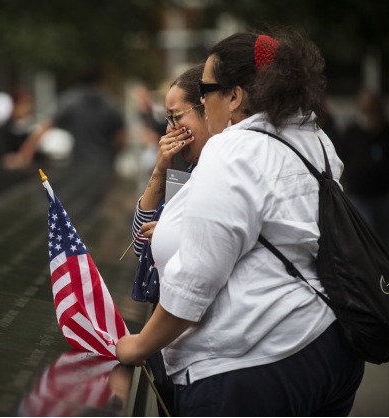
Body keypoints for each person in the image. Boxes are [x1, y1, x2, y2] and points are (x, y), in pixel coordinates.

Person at [116, 29, 365, 416]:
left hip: (253, 365)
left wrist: (138, 345)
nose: (202, 100)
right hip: (329, 348)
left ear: (234, 95)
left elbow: (197, 278)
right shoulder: (313, 139)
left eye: (206, 90)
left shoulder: (232, 149)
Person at [130, 63, 210, 416]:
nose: (171, 130)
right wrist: (161, 169)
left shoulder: (221, 169)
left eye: (177, 118)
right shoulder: (183, 167)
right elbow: (138, 246)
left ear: (208, 109)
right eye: (167, 120)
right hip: (170, 342)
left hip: (200, 350)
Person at [2, 65, 127, 175]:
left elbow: (43, 128)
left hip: (79, 165)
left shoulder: (71, 101)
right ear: (101, 81)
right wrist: (112, 155)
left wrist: (23, 157)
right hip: (104, 166)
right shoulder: (111, 104)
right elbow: (122, 139)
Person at [339, 89, 389, 246]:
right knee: (367, 238)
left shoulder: (386, 133)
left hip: (383, 196)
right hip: (358, 195)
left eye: (370, 107)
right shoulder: (352, 132)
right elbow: (341, 161)